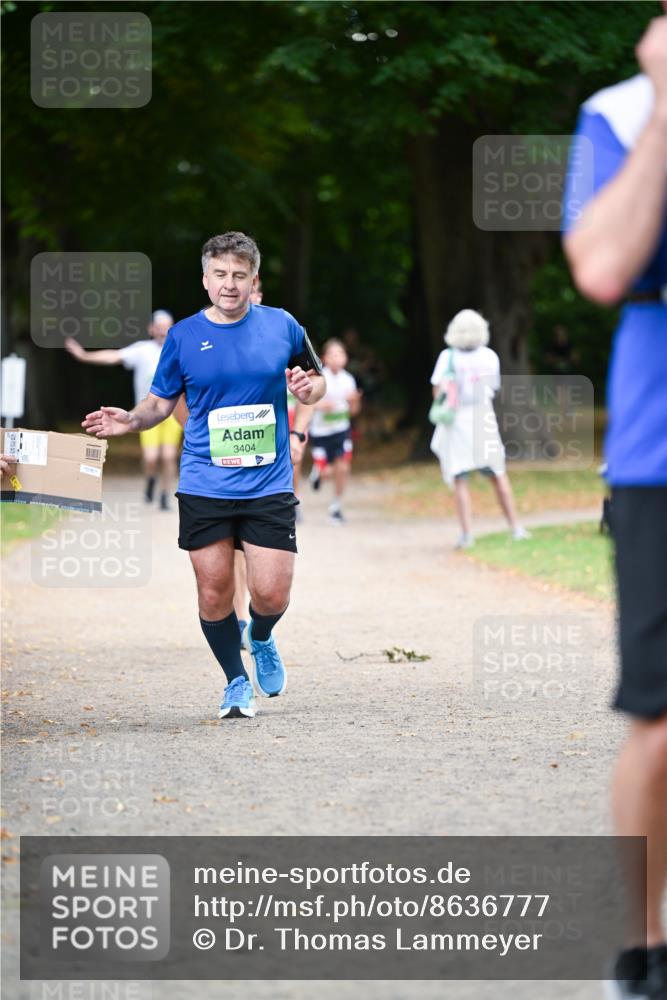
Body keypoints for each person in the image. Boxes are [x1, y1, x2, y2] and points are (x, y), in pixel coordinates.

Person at [81, 231, 325, 720]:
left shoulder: (283, 326)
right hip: (204, 482)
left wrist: (306, 388)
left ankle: (260, 635)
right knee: (214, 591)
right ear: (205, 280)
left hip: (267, 481)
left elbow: (316, 381)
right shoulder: (184, 336)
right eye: (220, 275)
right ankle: (236, 681)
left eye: (239, 275)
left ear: (253, 280)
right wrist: (130, 420)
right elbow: (159, 403)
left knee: (272, 593)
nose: (229, 285)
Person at [563, 12, 667, 999]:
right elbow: (598, 266)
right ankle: (641, 950)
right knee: (662, 721)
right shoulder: (622, 115)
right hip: (659, 457)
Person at [429, 309, 529, 549]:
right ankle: (515, 526)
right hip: (483, 418)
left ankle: (466, 534)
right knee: (497, 474)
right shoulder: (489, 356)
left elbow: (437, 390)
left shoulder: (448, 356)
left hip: (457, 420)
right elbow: (492, 388)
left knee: (459, 477)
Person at [65, 310, 182, 511]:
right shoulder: (142, 350)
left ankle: (164, 495)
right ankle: (151, 478)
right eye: (160, 327)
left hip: (173, 413)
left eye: (168, 326)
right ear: (151, 329)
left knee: (169, 456)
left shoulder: (180, 350)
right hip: (147, 414)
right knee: (152, 458)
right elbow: (113, 356)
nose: (164, 331)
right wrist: (84, 356)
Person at [308, 338, 362, 523]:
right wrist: (322, 405)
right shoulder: (319, 377)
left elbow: (354, 411)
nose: (337, 358)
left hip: (341, 430)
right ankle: (318, 472)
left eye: (340, 354)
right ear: (325, 358)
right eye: (333, 354)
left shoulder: (348, 379)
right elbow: (308, 403)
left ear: (345, 358)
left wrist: (354, 401)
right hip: (321, 432)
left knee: (344, 467)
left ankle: (336, 505)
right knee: (327, 472)